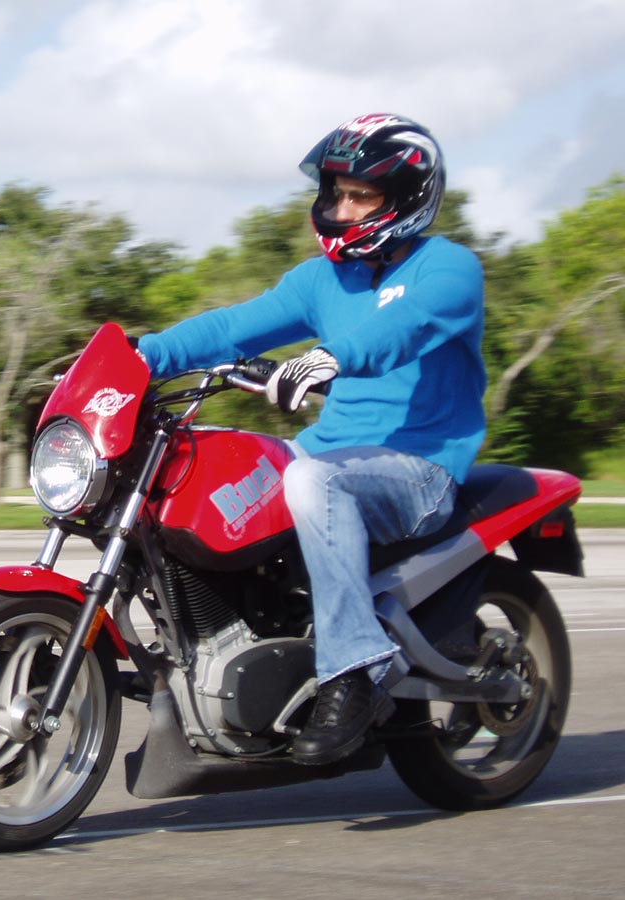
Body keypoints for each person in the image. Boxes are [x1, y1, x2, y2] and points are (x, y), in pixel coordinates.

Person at [136, 113, 487, 766]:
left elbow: (405, 327)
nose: (342, 209)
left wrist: (333, 357)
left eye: (362, 196)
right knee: (197, 470)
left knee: (310, 479)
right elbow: (232, 327)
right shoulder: (322, 279)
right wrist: (138, 358)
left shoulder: (449, 269)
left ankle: (353, 671)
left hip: (420, 468)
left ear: (407, 198)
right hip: (329, 453)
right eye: (336, 194)